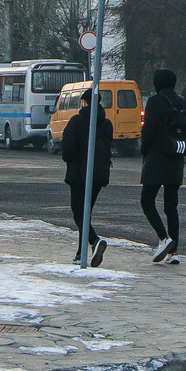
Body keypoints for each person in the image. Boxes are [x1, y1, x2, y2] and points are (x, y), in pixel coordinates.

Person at [139, 69, 186, 263]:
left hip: (157, 158)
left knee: (147, 201)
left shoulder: (155, 101)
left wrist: (144, 150)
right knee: (171, 206)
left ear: (158, 83)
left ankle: (164, 239)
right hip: (176, 159)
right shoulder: (185, 104)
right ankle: (174, 253)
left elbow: (148, 130)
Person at [59, 92, 115, 266]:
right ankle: (80, 252)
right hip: (99, 174)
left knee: (79, 212)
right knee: (86, 212)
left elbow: (68, 149)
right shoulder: (106, 124)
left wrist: (70, 159)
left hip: (78, 174)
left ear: (84, 103)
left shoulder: (76, 121)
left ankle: (94, 240)